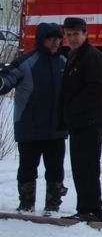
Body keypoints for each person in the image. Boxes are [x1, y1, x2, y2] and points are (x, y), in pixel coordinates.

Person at [0, 23, 69, 214]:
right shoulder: (26, 62)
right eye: (51, 39)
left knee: (55, 169)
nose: (56, 42)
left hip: (57, 128)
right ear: (41, 41)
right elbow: (7, 80)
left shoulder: (65, 62)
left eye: (58, 39)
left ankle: (52, 206)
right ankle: (26, 205)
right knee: (27, 168)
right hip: (29, 126)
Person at [59, 17, 102, 222]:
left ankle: (92, 210)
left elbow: (96, 88)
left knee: (87, 166)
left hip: (89, 121)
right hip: (79, 121)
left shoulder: (91, 56)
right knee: (80, 167)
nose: (72, 38)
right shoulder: (74, 56)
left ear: (85, 34)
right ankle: (84, 208)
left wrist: (73, 108)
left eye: (76, 34)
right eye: (69, 35)